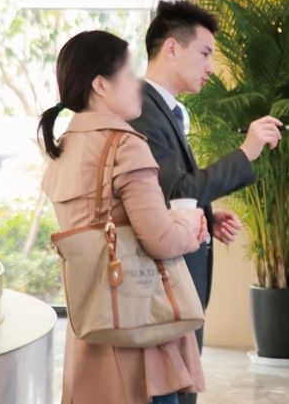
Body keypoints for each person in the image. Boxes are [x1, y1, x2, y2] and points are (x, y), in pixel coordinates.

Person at [40, 30, 209, 404]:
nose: (138, 84)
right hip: (140, 327)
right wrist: (191, 224)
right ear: (101, 84)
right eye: (130, 74)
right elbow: (160, 240)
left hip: (92, 323)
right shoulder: (125, 145)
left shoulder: (64, 147)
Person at [129, 0, 283, 404]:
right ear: (172, 48)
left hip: (179, 284)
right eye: (205, 53)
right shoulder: (142, 109)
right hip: (163, 288)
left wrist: (203, 216)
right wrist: (247, 151)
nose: (211, 67)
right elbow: (177, 189)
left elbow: (165, 195)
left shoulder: (165, 110)